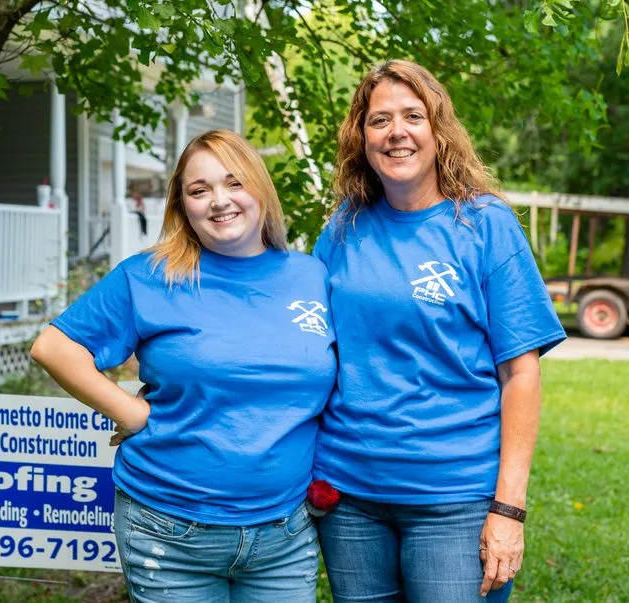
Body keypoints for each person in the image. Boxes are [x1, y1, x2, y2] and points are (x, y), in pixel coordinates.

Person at [31, 129, 336, 602]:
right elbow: (54, 347)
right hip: (168, 530)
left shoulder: (311, 275)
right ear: (183, 205)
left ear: (260, 188)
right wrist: (129, 412)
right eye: (200, 190)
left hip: (284, 534)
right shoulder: (150, 275)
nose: (219, 201)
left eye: (234, 183)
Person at [311, 60, 566, 602]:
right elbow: (310, 349)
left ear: (438, 130)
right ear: (361, 136)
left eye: (412, 116)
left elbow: (522, 373)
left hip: (454, 498)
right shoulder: (343, 228)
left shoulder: (485, 224)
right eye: (379, 120)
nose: (396, 132)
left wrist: (509, 509)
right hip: (348, 496)